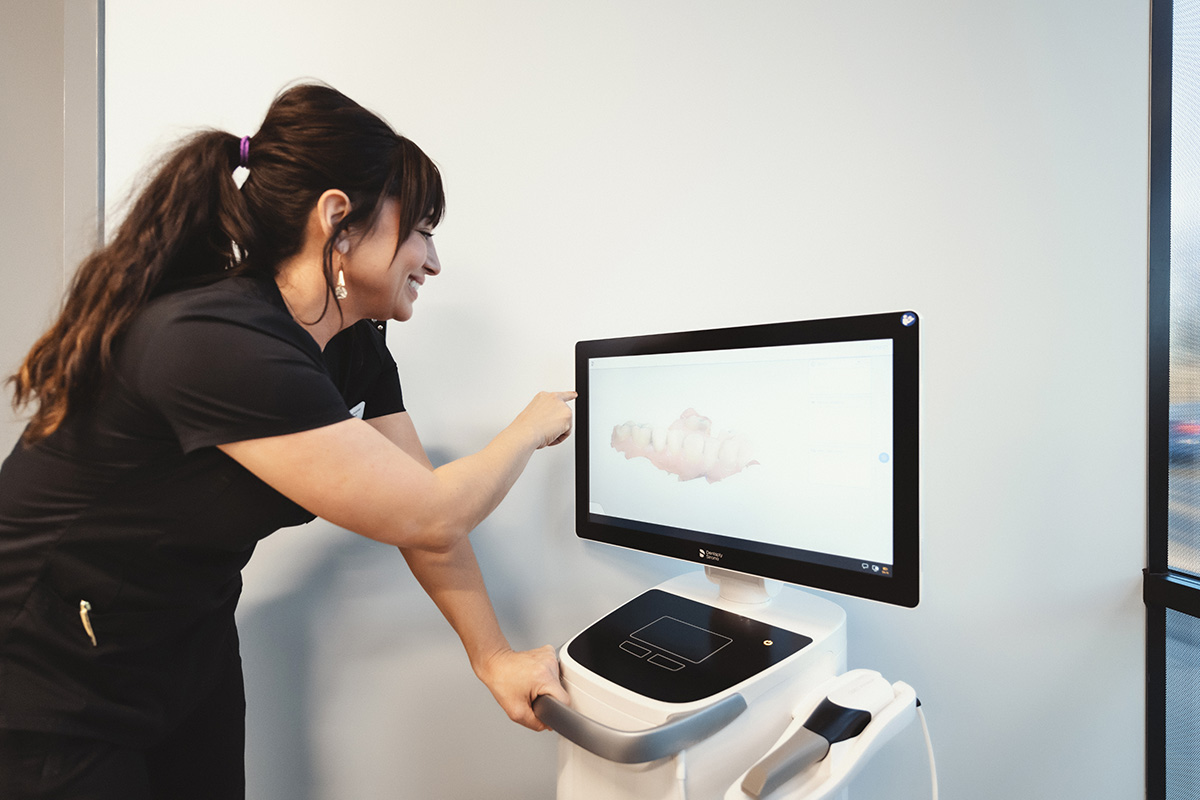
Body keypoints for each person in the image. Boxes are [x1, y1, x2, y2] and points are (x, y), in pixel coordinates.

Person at [0, 82, 574, 799]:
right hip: (49, 670)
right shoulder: (217, 340)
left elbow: (420, 517)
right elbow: (431, 512)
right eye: (421, 229)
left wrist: (494, 657)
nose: (432, 261)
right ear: (337, 217)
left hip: (185, 644)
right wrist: (529, 428)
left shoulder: (356, 349)